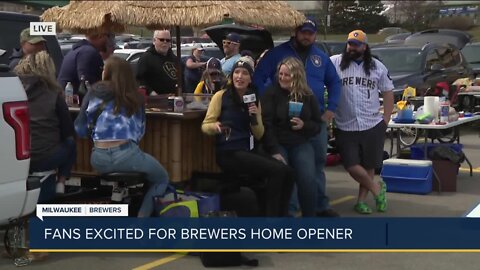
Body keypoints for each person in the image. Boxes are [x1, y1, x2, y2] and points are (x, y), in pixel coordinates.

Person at [253, 19, 341, 217]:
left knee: (316, 167)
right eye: (303, 32)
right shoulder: (277, 54)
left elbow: (335, 83)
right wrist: (273, 97)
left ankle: (320, 206)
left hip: (314, 119)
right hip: (282, 125)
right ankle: (290, 211)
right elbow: (258, 78)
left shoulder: (321, 57)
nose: (306, 36)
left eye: (310, 33)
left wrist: (331, 110)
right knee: (289, 171)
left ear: (315, 35)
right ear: (296, 31)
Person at [74, 56, 169, 217]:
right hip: (128, 156)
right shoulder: (136, 97)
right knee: (162, 178)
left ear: (108, 72)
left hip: (98, 159)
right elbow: (140, 131)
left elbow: (80, 129)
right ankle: (142, 221)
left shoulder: (93, 92)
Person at [202, 59, 294, 217]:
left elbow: (259, 133)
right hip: (228, 151)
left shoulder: (252, 98)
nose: (240, 76)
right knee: (277, 171)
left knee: (288, 172)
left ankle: (282, 215)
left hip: (247, 151)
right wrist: (215, 127)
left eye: (244, 73)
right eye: (236, 73)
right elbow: (206, 125)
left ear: (250, 78)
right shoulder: (221, 96)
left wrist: (254, 117)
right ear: (232, 77)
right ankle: (271, 220)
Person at [330, 30, 393, 214]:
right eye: (350, 44)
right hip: (345, 124)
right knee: (351, 165)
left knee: (369, 165)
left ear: (365, 47)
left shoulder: (377, 67)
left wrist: (386, 119)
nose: (352, 47)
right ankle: (377, 189)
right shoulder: (335, 63)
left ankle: (361, 201)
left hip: (371, 123)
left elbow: (388, 92)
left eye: (356, 45)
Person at [261, 57, 322, 217]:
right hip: (278, 142)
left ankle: (310, 220)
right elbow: (266, 125)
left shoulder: (307, 95)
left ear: (297, 75)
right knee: (283, 176)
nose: (282, 78)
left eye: (287, 75)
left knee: (307, 178)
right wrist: (273, 149)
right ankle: (286, 217)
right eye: (280, 74)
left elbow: (317, 124)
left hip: (300, 141)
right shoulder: (271, 93)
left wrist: (304, 125)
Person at [14, 51, 76, 197]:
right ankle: (61, 180)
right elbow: (68, 131)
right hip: (47, 158)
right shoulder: (53, 94)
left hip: (19, 159)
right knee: (71, 142)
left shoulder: (14, 92)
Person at [136, 30, 177, 95]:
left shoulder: (174, 58)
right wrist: (151, 92)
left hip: (175, 99)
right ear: (154, 41)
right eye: (162, 40)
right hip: (155, 100)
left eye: (168, 40)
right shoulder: (146, 58)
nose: (165, 42)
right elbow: (139, 80)